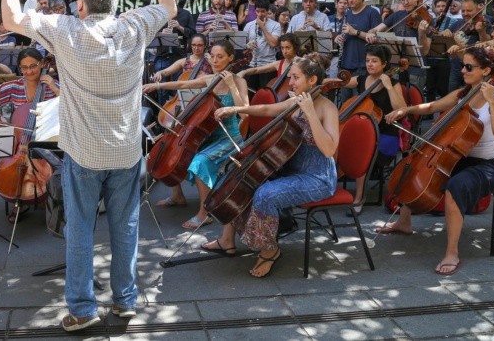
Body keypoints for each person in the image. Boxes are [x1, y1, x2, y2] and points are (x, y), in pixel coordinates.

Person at [0, 0, 176, 331]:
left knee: (80, 230)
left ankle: (82, 309)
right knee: (126, 226)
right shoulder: (135, 26)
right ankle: (125, 301)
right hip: (127, 151)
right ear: (115, 3)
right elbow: (169, 5)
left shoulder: (66, 31)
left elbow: (11, 19)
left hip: (84, 155)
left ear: (81, 4)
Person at [202, 53, 339, 277]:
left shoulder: (327, 108)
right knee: (245, 178)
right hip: (290, 169)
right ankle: (227, 238)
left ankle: (270, 250)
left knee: (266, 194)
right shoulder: (296, 99)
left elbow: (329, 149)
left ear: (312, 80)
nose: (290, 82)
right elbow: (267, 110)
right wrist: (236, 110)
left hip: (317, 178)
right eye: (290, 77)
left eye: (295, 77)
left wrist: (311, 114)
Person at [380, 47, 494, 276]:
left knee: (455, 186)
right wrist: (405, 110)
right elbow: (431, 107)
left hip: (490, 164)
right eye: (463, 65)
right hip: (462, 156)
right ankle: (404, 222)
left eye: (469, 67)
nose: (463, 70)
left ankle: (452, 252)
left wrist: (490, 102)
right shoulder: (463, 94)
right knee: (415, 168)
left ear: (487, 70)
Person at [142, 39, 248, 229]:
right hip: (209, 135)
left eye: (220, 57)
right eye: (213, 56)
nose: (215, 61)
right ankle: (177, 195)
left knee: (200, 161)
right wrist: (157, 86)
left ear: (231, 58)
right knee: (175, 152)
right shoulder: (208, 79)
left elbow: (245, 112)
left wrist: (231, 84)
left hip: (229, 137)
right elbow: (182, 85)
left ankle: (204, 213)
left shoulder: (239, 81)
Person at [0, 48, 59, 222]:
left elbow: (71, 104)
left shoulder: (52, 87)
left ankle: (48, 200)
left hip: (47, 144)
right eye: (24, 67)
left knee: (56, 172)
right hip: (20, 142)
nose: (29, 71)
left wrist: (53, 86)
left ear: (42, 64)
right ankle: (19, 200)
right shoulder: (14, 86)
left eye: (33, 66)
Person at [336, 44, 405, 214]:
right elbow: (341, 83)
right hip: (363, 132)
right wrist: (321, 81)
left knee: (362, 149)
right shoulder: (361, 79)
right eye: (367, 61)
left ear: (384, 64)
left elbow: (401, 110)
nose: (370, 64)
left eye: (374, 61)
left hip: (386, 135)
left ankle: (359, 197)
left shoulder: (393, 83)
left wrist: (388, 86)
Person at [337, 0, 382, 102]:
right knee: (345, 102)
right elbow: (342, 34)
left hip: (362, 64)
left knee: (360, 101)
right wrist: (338, 38)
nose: (350, 0)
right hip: (346, 64)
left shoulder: (372, 13)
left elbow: (377, 39)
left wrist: (355, 32)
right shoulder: (347, 14)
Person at [243, 0, 281, 89]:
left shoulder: (276, 25)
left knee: (265, 95)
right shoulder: (249, 25)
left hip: (268, 66)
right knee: (250, 94)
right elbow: (242, 45)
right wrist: (248, 46)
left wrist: (263, 27)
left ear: (268, 11)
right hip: (252, 65)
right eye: (257, 11)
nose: (260, 14)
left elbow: (273, 44)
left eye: (263, 11)